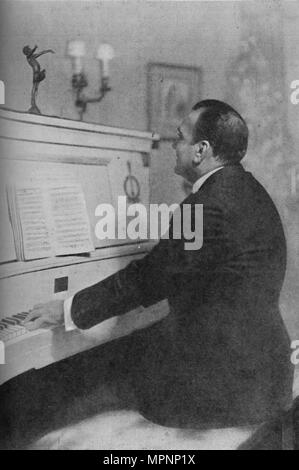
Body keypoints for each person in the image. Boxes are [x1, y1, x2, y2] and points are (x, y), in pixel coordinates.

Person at [24, 99, 294, 428]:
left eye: (180, 138)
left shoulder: (203, 206)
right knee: (122, 352)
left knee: (92, 369)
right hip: (265, 370)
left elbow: (147, 280)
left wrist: (67, 310)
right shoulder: (251, 190)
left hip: (225, 389)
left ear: (201, 150)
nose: (173, 146)